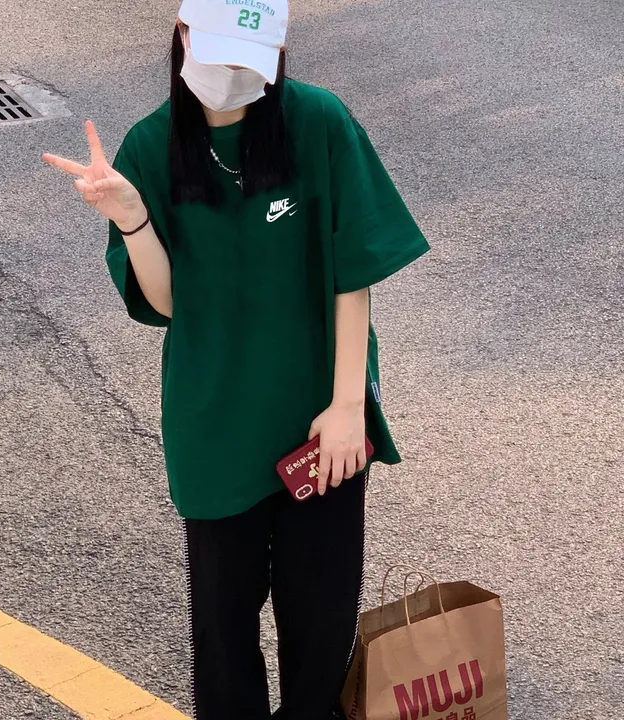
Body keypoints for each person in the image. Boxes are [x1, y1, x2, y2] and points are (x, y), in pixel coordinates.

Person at [42, 0, 430, 716]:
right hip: (215, 422)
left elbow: (353, 271)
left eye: (249, 61)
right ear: (183, 36)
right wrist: (131, 217)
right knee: (223, 641)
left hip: (319, 420)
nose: (230, 74)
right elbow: (165, 304)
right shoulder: (151, 146)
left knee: (321, 633)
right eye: (217, 53)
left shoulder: (318, 121)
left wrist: (348, 406)